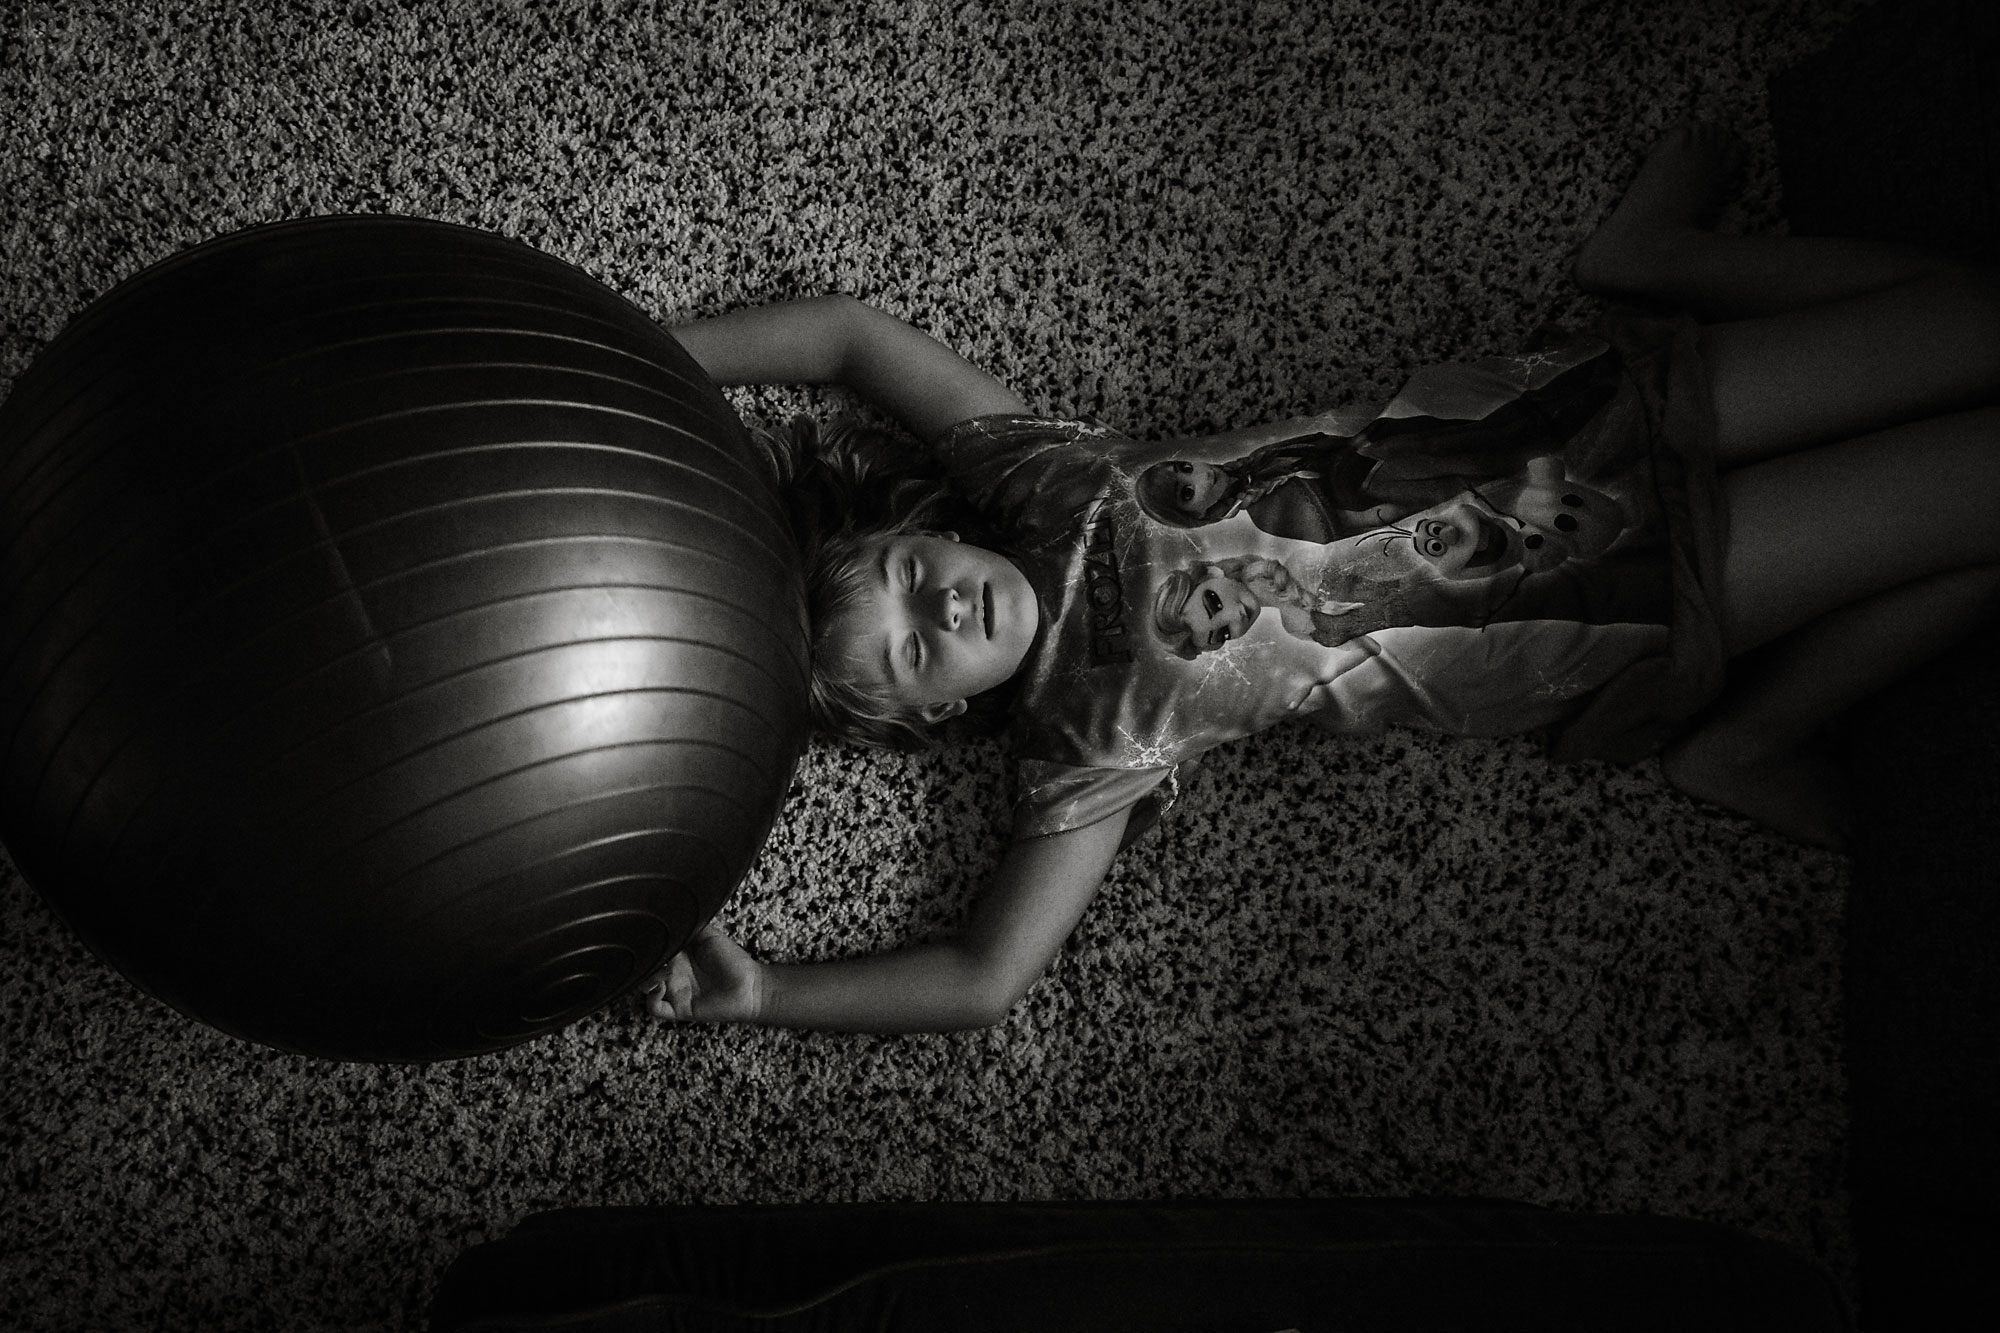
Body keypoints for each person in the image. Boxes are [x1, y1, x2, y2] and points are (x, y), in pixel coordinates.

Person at [647, 123, 2000, 1033]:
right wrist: (766, 989)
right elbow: (986, 975)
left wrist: (647, 349)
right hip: (1611, 590)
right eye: (918, 647)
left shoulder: (1042, 478)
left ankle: (1655, 266)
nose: (943, 600)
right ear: (935, 713)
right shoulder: (1091, 744)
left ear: (918, 527)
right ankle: (1751, 734)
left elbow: (842, 337)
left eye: (908, 569)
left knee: (1969, 320)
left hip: (1573, 417)